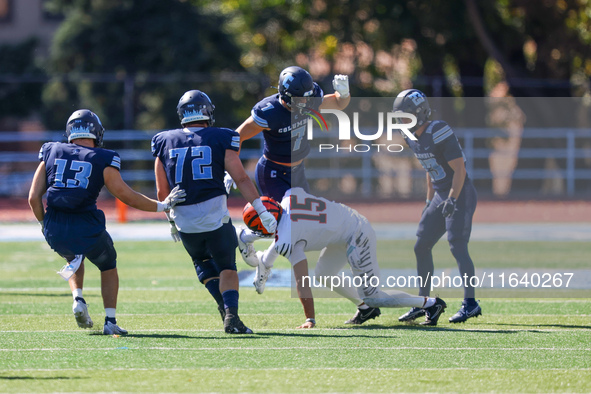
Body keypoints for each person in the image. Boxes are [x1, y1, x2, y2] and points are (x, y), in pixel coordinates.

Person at [28, 109, 186, 335]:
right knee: (108, 264)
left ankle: (78, 299)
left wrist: (45, 225)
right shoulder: (103, 157)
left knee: (74, 255)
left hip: (54, 226)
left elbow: (33, 197)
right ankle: (110, 320)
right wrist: (163, 205)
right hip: (87, 226)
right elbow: (126, 196)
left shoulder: (51, 149)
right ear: (95, 132)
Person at [151, 90, 277, 334]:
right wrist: (261, 209)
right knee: (227, 268)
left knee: (204, 265)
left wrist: (171, 221)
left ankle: (225, 310)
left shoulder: (164, 140)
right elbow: (240, 177)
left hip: (184, 221)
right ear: (207, 112)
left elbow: (161, 192)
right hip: (215, 218)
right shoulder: (222, 137)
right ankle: (231, 315)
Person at [245, 187, 447, 328]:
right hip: (344, 227)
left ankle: (431, 303)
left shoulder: (286, 238)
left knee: (373, 295)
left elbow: (301, 281)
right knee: (324, 273)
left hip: (356, 234)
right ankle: (365, 309)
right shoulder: (289, 196)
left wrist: (310, 318)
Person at [230, 66, 351, 266]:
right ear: (286, 97)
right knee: (285, 225)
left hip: (297, 171)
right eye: (301, 99)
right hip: (273, 172)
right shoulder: (270, 111)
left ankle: (261, 259)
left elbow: (339, 103)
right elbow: (236, 137)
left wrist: (344, 93)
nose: (306, 102)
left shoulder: (309, 99)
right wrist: (231, 168)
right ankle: (247, 238)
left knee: (302, 225)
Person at [393, 89, 482, 324]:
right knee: (421, 245)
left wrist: (452, 198)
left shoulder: (439, 130)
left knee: (457, 246)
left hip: (460, 193)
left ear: (418, 114)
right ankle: (424, 303)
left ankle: (470, 303)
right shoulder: (410, 137)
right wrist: (428, 200)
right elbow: (429, 169)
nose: (401, 121)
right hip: (440, 195)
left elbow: (460, 170)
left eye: (405, 116)